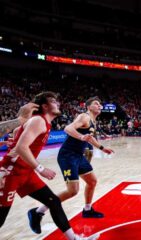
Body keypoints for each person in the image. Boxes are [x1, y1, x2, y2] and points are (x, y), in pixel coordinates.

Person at [0, 92, 98, 240]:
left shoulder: (42, 122)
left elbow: (16, 133)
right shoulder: (38, 120)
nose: (57, 103)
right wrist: (41, 169)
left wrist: (15, 137)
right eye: (53, 101)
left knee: (53, 201)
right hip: (11, 172)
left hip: (26, 172)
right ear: (45, 106)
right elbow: (21, 147)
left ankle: (74, 239)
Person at [29, 97, 114, 234]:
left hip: (78, 156)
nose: (99, 105)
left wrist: (102, 148)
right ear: (88, 107)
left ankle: (87, 210)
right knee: (72, 191)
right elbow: (68, 128)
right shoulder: (84, 117)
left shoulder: (93, 120)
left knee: (92, 181)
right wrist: (81, 138)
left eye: (100, 103)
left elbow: (90, 137)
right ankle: (38, 212)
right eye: (96, 104)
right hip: (67, 156)